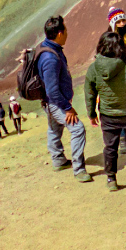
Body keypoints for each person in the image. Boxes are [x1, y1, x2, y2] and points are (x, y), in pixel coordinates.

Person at [85, 31, 126, 191]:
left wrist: (92, 114)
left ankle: (111, 180)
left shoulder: (94, 69)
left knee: (110, 148)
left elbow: (90, 93)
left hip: (108, 116)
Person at [37, 15, 89, 181]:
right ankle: (79, 170)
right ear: (59, 33)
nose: (67, 33)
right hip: (55, 102)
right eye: (65, 30)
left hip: (49, 102)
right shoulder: (50, 58)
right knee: (78, 129)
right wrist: (67, 108)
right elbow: (52, 90)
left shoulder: (48, 48)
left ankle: (58, 160)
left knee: (54, 128)